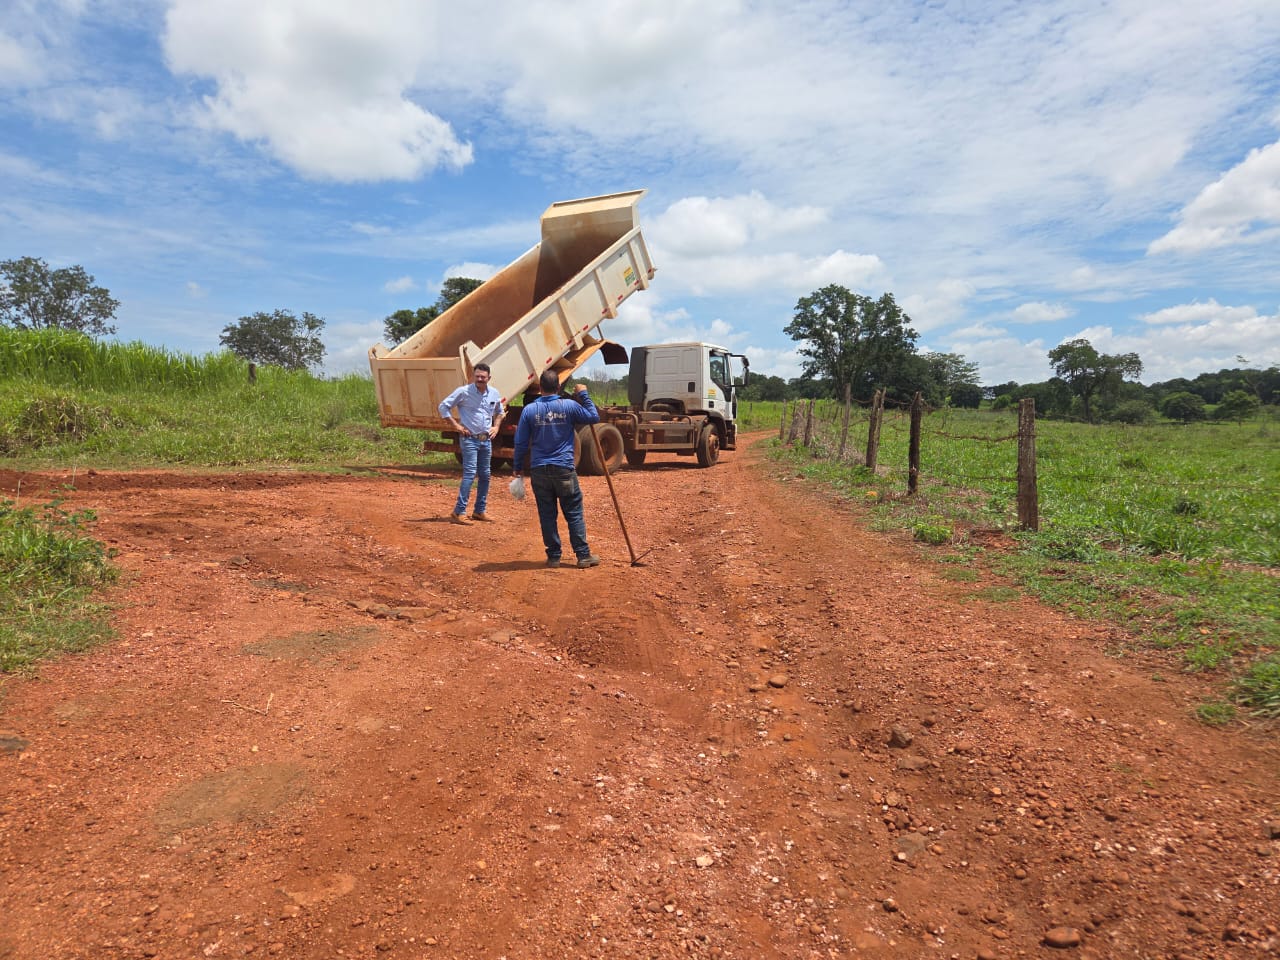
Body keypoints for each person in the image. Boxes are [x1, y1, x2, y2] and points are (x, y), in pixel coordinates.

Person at [512, 370, 601, 568]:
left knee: (547, 514)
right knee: (574, 512)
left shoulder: (529, 410)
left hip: (539, 470)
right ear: (558, 387)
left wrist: (517, 467)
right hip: (563, 469)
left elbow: (520, 442)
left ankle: (553, 557)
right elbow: (593, 417)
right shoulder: (568, 405)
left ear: (540, 388)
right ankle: (583, 556)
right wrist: (584, 394)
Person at [437, 362, 505, 524]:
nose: (480, 379)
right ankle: (459, 511)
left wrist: (496, 427)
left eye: (483, 377)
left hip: (485, 441)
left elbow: (500, 412)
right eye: (477, 376)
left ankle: (479, 511)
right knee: (469, 474)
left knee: (485, 475)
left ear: (489, 378)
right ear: (473, 377)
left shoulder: (494, 393)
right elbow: (443, 407)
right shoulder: (464, 392)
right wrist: (456, 426)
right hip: (469, 440)